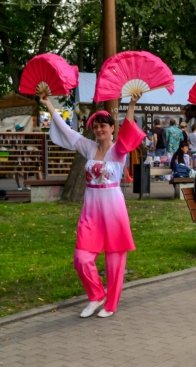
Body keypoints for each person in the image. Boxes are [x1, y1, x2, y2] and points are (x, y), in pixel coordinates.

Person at [40, 92, 145, 318]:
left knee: (115, 260)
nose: (99, 130)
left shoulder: (119, 150)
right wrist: (48, 103)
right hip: (91, 209)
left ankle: (111, 303)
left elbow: (128, 130)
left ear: (111, 128)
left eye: (103, 126)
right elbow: (67, 132)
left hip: (113, 209)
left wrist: (132, 104)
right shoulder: (88, 147)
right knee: (81, 258)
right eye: (96, 126)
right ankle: (96, 295)